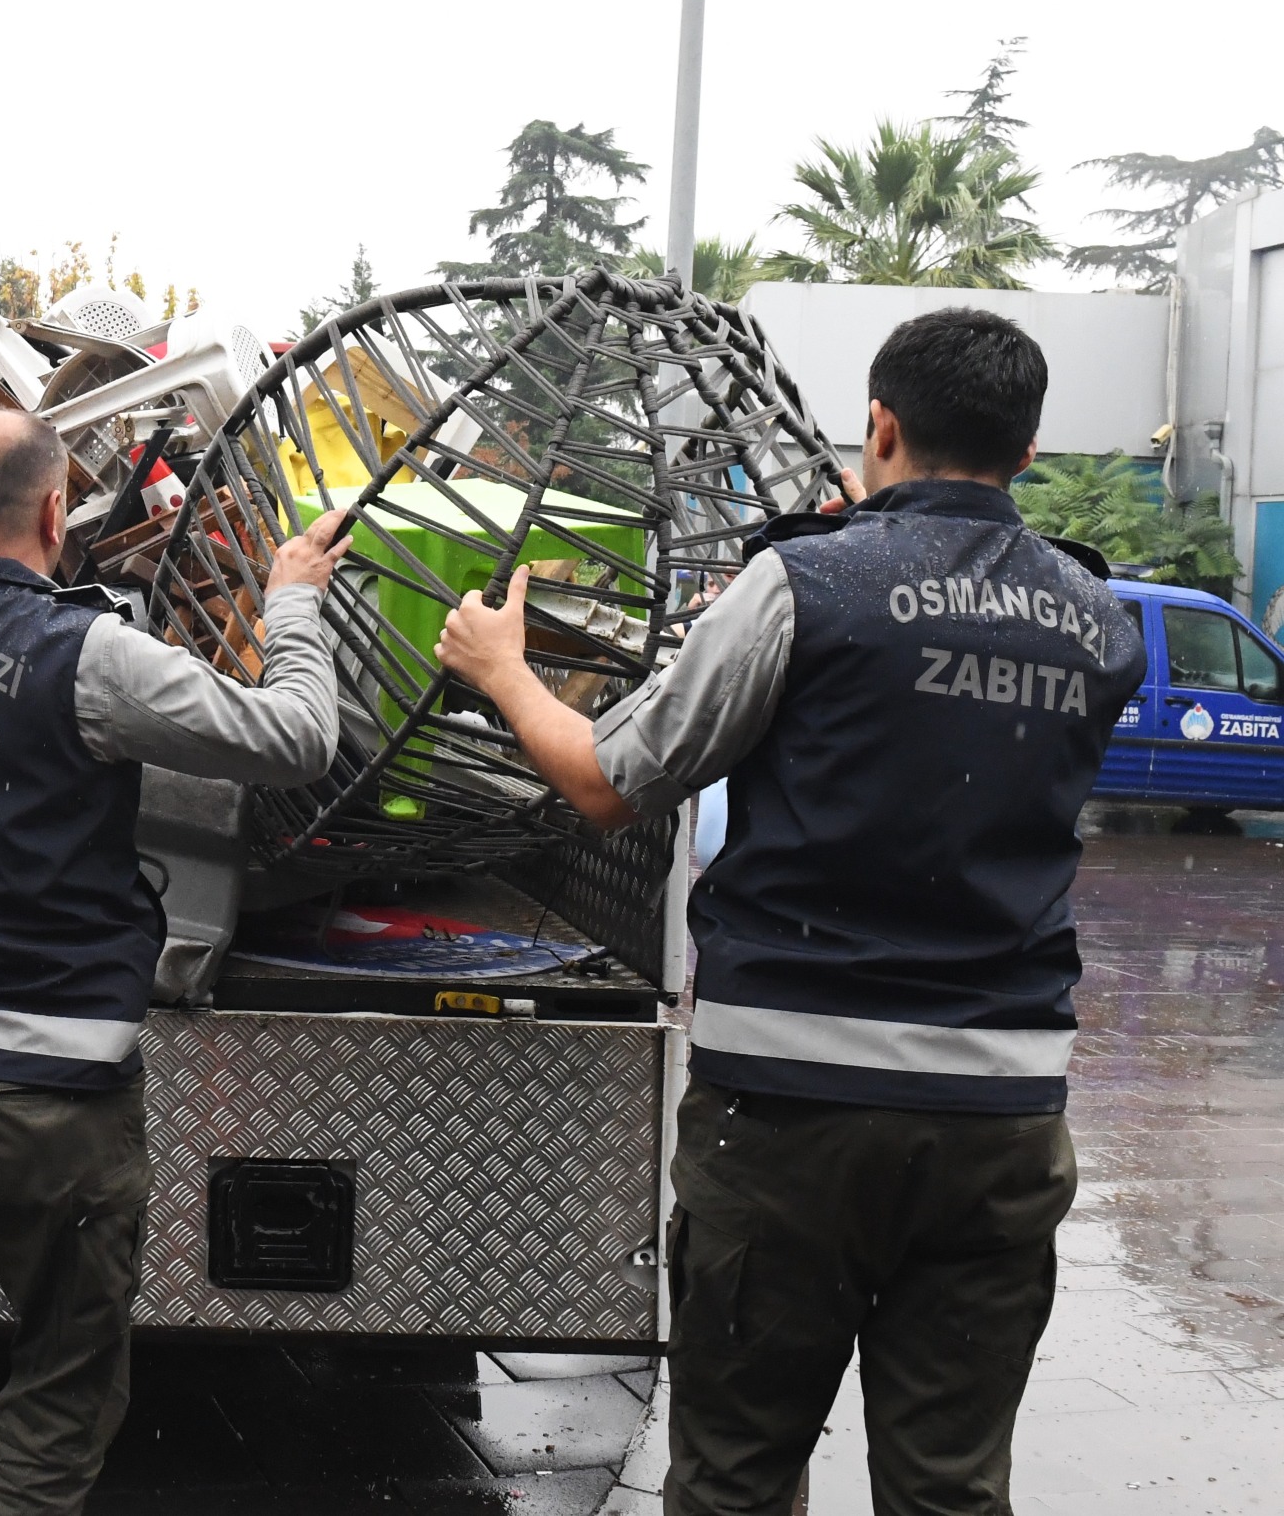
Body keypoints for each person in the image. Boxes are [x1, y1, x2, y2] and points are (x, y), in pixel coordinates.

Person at [434, 308, 1146, 1516]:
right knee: (951, 1488)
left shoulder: (804, 583)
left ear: (879, 424)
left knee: (737, 1476)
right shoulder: (1100, 620)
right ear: (1028, 451)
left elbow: (606, 783)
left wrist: (500, 669)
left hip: (789, 1110)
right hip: (1000, 1118)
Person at [0, 409, 349, 1516]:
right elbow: (297, 740)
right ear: (57, 512)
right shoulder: (87, 653)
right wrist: (294, 599)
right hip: (54, 1090)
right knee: (62, 1388)